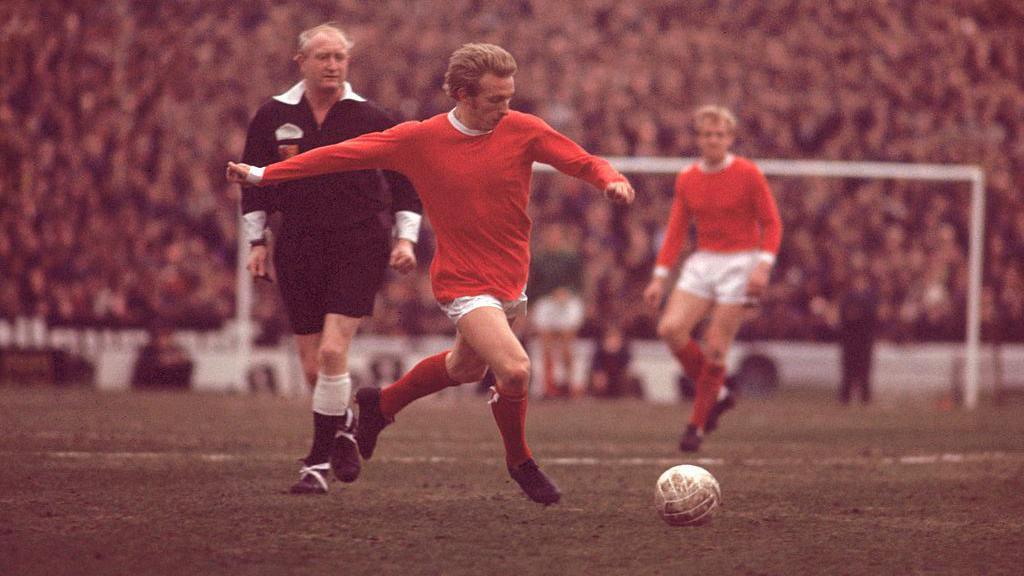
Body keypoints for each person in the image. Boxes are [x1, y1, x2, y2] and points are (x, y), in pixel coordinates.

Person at [228, 43, 635, 505]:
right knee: (516, 370)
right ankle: (520, 462)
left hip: (510, 275)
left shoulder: (523, 129)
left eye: (509, 97)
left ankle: (380, 407)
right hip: (463, 279)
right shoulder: (420, 138)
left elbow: (580, 160)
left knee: (465, 367)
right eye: (495, 99)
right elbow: (339, 155)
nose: (506, 108)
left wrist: (610, 180)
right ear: (463, 94)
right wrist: (264, 175)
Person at [237, 23, 423, 495]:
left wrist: (405, 240)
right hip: (297, 242)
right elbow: (255, 184)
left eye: (340, 57)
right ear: (301, 61)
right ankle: (342, 424)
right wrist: (257, 243)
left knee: (334, 350)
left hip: (359, 240)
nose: (333, 65)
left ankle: (316, 464)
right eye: (323, 57)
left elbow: (406, 183)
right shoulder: (272, 114)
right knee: (313, 366)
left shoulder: (371, 116)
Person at [643, 105, 782, 453]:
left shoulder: (748, 173)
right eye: (707, 134)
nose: (713, 140)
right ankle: (717, 393)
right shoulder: (688, 177)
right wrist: (659, 277)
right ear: (698, 138)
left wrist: (763, 265)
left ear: (730, 138)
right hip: (704, 262)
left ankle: (696, 425)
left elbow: (772, 224)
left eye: (719, 135)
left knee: (717, 345)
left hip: (742, 262)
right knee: (670, 329)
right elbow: (676, 230)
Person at [528, 222, 586, 398]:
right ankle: (549, 386)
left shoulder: (571, 258)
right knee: (546, 347)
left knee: (567, 346)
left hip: (567, 302)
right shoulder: (538, 259)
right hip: (546, 302)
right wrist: (530, 307)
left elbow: (579, 283)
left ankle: (570, 384)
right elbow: (533, 286)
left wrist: (568, 292)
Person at [837, 269, 879, 405]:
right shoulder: (847, 297)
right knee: (848, 369)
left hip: (865, 338)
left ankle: (864, 398)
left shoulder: (871, 298)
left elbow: (871, 316)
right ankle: (845, 397)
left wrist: (858, 315)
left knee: (864, 370)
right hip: (850, 338)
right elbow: (845, 316)